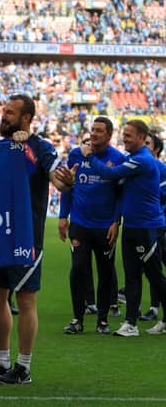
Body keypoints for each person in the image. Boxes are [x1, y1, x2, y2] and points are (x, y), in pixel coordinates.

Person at [0, 94, 75, 384]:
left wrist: (66, 182)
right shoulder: (0, 146)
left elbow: (58, 180)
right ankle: (2, 361)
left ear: (26, 118)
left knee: (26, 298)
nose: (4, 116)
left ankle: (24, 367)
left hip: (26, 236)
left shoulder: (40, 146)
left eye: (10, 113)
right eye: (4, 111)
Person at [80, 119, 166, 336]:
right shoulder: (133, 159)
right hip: (132, 226)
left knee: (155, 276)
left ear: (140, 138)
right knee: (131, 276)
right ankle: (131, 324)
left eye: (128, 135)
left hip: (147, 226)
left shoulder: (143, 161)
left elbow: (109, 174)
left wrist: (89, 156)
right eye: (124, 134)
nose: (124, 139)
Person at [58, 116, 125, 335]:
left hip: (105, 226)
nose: (94, 134)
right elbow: (68, 184)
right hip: (80, 224)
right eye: (92, 129)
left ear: (109, 135)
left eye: (99, 130)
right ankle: (77, 319)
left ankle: (102, 321)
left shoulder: (117, 158)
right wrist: (62, 216)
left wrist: (116, 221)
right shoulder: (76, 154)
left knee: (105, 273)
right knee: (78, 269)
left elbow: (120, 195)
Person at [136, 131, 166, 322]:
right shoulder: (140, 166)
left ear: (156, 148)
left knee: (154, 267)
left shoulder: (160, 169)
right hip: (143, 224)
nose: (144, 145)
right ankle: (150, 308)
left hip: (158, 224)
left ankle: (155, 308)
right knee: (150, 266)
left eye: (147, 143)